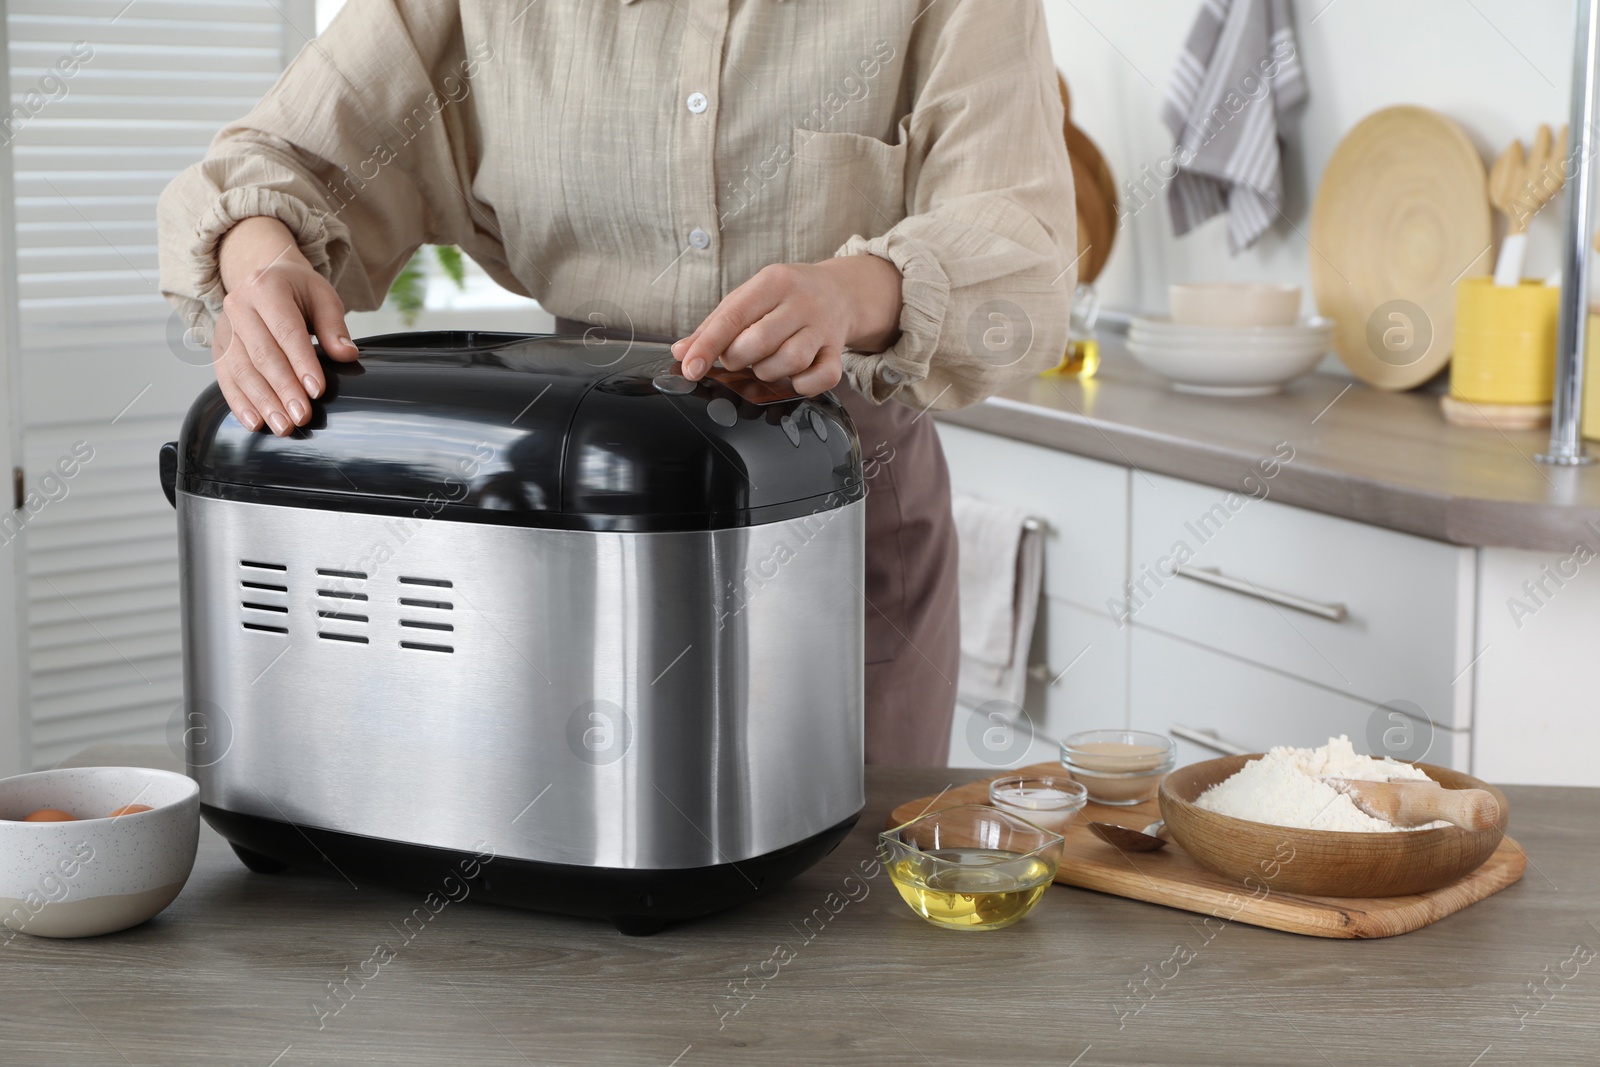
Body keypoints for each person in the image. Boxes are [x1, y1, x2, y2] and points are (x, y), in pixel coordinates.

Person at [157, 0, 1076, 766]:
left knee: (841, 904)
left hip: (838, 510)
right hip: (568, 514)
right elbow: (276, 160)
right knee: (582, 891)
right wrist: (259, 259)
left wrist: (855, 290)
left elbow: (1028, 251)